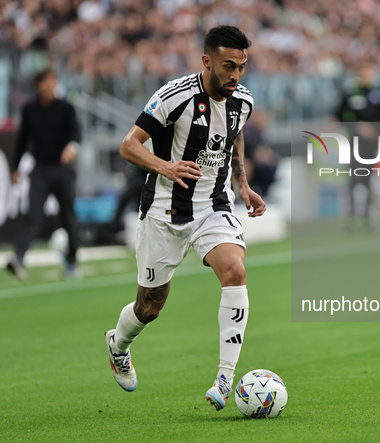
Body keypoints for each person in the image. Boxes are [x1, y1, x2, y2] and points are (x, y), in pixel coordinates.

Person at [104, 25, 266, 412]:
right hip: (165, 211)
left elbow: (234, 134)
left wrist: (242, 185)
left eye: (242, 67)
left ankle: (225, 378)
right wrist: (167, 167)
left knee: (235, 271)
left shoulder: (242, 100)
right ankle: (118, 344)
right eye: (228, 66)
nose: (235, 75)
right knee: (150, 306)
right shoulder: (174, 97)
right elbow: (128, 145)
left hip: (214, 205)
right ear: (207, 61)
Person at [6, 68, 81, 280]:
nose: (50, 86)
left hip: (62, 170)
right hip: (40, 169)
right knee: (32, 215)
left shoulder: (66, 108)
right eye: (46, 82)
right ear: (38, 85)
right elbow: (22, 140)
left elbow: (76, 132)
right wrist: (15, 168)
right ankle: (18, 259)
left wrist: (71, 147)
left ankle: (72, 261)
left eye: (53, 82)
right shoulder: (30, 109)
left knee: (68, 216)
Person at [336, 62, 380, 231]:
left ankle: (367, 217)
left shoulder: (379, 94)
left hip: (370, 144)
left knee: (367, 179)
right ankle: (351, 218)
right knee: (352, 179)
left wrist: (374, 129)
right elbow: (341, 115)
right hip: (353, 142)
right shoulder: (352, 93)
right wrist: (357, 126)